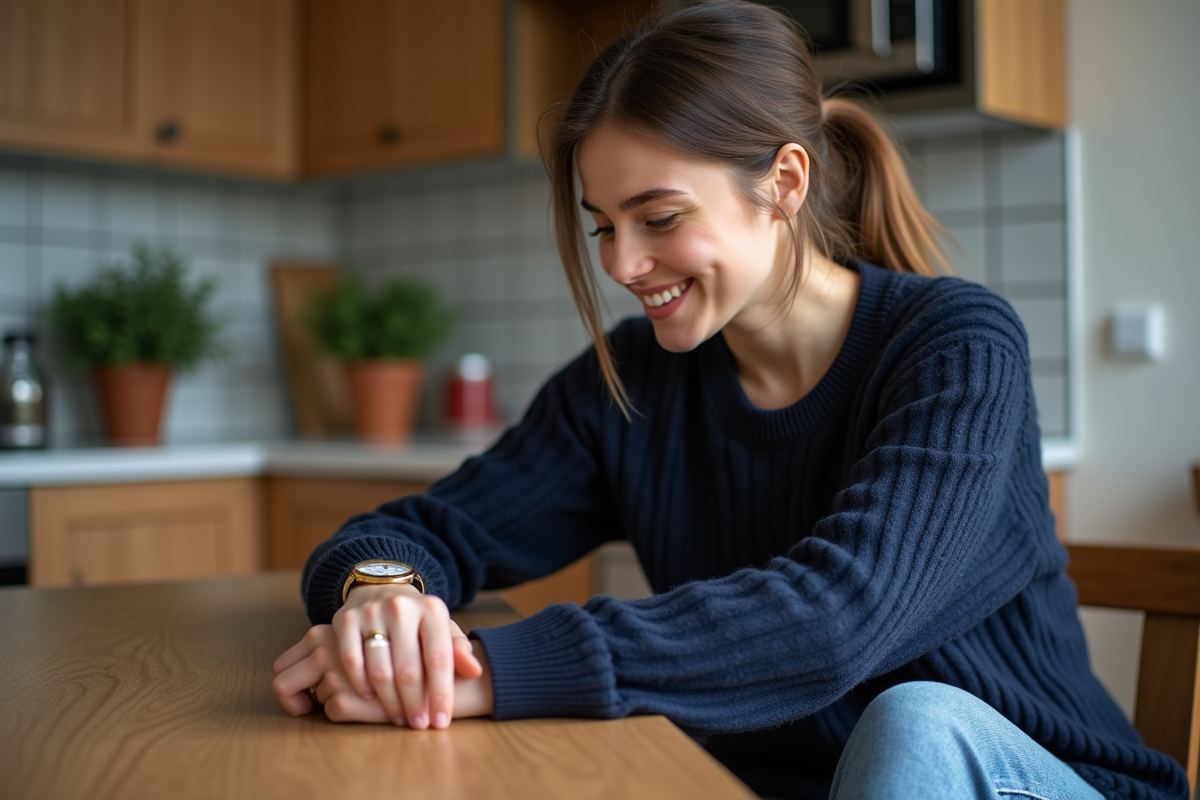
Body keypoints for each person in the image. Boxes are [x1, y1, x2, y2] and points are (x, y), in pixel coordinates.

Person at [272, 3, 1188, 798]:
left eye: (659, 219)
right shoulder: (630, 381)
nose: (622, 265)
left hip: (1042, 783)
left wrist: (476, 670)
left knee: (914, 725)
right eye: (604, 227)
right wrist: (380, 609)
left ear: (784, 184)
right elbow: (427, 530)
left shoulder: (956, 347)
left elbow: (836, 621)